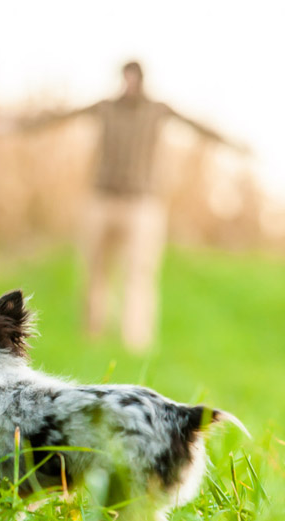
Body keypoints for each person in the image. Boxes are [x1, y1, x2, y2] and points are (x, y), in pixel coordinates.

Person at [16, 61, 249, 353]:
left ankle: (136, 342)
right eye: (124, 78)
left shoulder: (157, 110)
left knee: (139, 272)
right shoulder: (106, 108)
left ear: (141, 80)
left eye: (133, 79)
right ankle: (93, 336)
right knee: (95, 268)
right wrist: (18, 124)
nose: (128, 84)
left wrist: (236, 145)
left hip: (142, 204)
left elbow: (198, 126)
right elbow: (63, 115)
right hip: (102, 199)